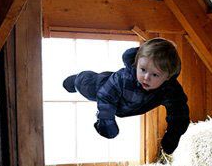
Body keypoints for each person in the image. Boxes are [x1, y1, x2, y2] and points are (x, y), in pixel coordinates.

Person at [62, 38, 190, 154]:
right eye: (143, 69)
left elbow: (179, 113)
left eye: (155, 75)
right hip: (106, 88)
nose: (146, 78)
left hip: (135, 104)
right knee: (87, 85)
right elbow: (105, 98)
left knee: (177, 108)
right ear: (136, 63)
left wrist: (173, 136)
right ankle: (76, 81)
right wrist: (106, 125)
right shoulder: (123, 78)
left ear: (168, 76)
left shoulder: (171, 89)